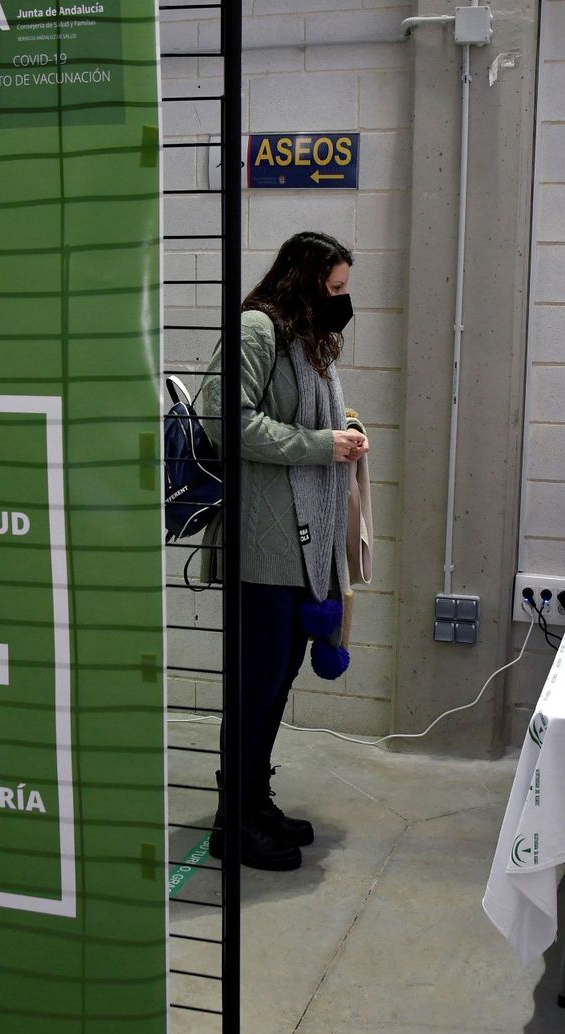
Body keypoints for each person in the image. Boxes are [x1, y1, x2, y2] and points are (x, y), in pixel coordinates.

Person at [197, 232, 369, 871]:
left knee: (275, 684)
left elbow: (309, 419)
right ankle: (231, 823)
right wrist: (320, 445)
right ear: (303, 282)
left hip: (298, 545)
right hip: (261, 546)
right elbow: (222, 420)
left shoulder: (306, 343)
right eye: (334, 289)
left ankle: (253, 802)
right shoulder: (256, 332)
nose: (341, 302)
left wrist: (342, 431)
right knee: (256, 685)